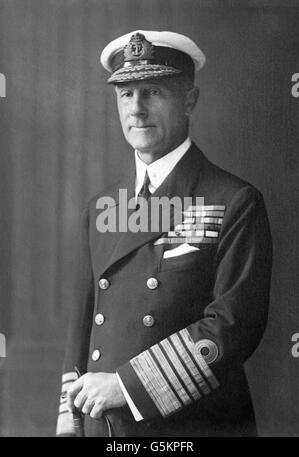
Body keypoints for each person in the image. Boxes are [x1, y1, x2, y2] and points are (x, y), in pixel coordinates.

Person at [56, 30, 272, 437]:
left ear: (189, 100)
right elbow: (81, 326)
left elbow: (233, 326)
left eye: (152, 92)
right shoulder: (103, 207)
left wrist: (126, 386)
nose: (136, 109)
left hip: (193, 428)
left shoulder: (233, 200)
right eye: (125, 94)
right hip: (106, 429)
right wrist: (70, 425)